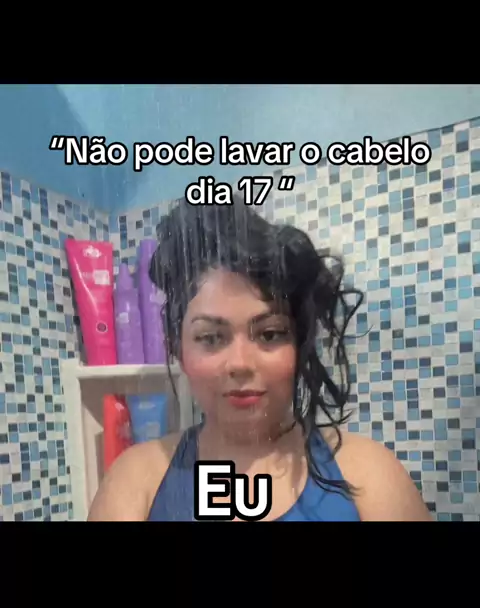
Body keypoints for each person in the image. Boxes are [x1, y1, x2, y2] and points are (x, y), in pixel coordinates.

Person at [88, 195, 431, 522]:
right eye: (211, 338)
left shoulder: (370, 476)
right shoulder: (136, 482)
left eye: (270, 334)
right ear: (177, 348)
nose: (240, 363)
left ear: (298, 342)